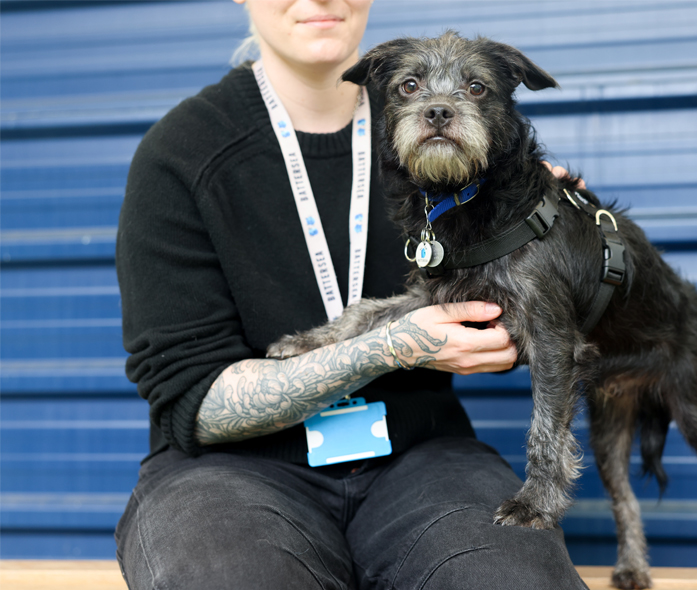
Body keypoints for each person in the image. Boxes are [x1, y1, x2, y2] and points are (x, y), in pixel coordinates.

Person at [114, 1, 588, 588]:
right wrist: (389, 346)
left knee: (512, 575)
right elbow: (194, 401)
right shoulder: (181, 152)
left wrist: (540, 228)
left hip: (421, 453)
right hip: (230, 471)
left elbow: (523, 317)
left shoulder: (459, 125)